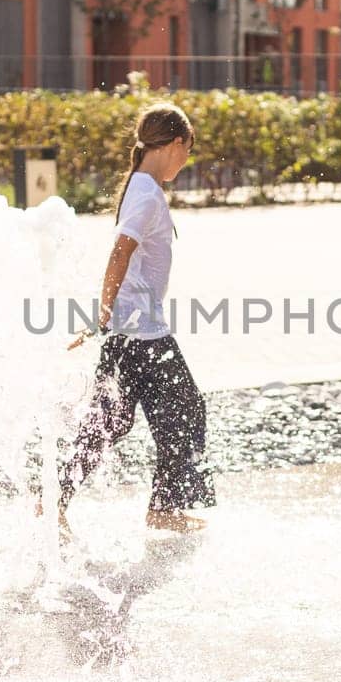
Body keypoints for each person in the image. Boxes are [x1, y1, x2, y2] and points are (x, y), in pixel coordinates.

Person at [57, 101, 215, 536]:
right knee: (185, 408)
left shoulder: (141, 188)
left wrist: (105, 320)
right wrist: (102, 315)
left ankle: (51, 501)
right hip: (141, 331)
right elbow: (121, 250)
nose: (184, 163)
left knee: (111, 421)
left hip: (132, 329)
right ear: (177, 143)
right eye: (186, 153)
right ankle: (163, 508)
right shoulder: (146, 192)